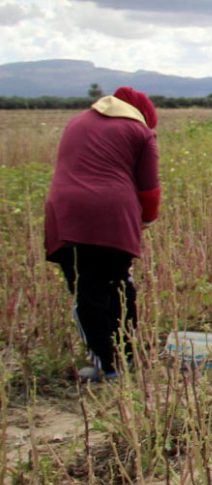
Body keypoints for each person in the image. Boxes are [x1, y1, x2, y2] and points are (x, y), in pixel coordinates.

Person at [44, 86, 161, 383]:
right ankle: (122, 358)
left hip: (67, 213)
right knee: (118, 284)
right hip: (115, 214)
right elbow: (149, 188)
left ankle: (107, 366)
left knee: (88, 287)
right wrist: (146, 219)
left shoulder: (78, 121)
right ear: (142, 115)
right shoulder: (140, 132)